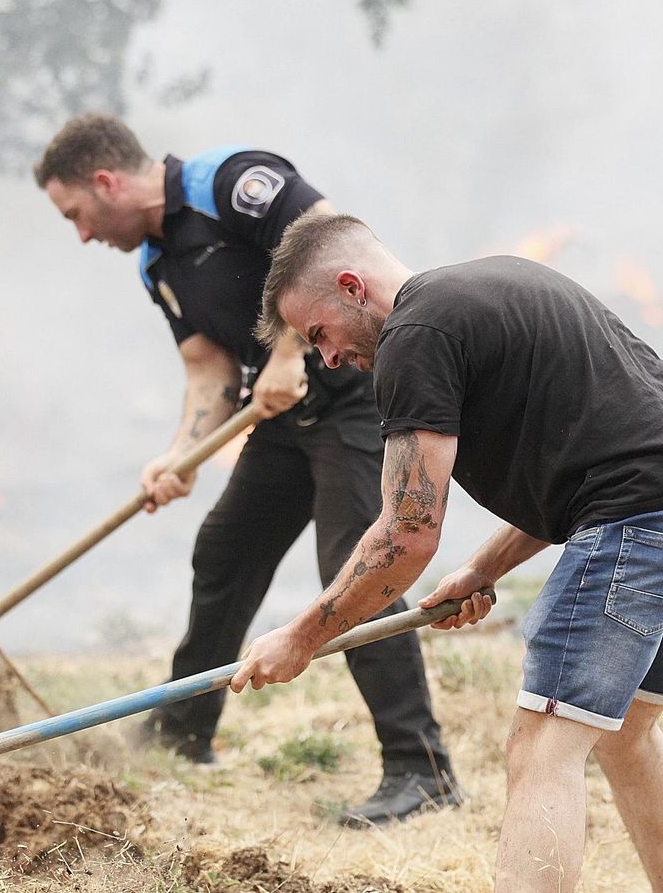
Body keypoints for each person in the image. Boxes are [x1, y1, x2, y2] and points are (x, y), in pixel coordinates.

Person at [233, 213, 663, 891]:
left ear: (353, 286)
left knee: (542, 745)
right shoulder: (490, 288)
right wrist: (484, 570)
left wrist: (301, 638)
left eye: (319, 334)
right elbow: (588, 463)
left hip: (644, 518)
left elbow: (403, 537)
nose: (327, 359)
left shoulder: (413, 340)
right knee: (623, 730)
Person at [33, 116, 461, 827]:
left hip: (353, 399)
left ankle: (421, 770)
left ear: (105, 182)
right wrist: (181, 454)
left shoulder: (229, 184)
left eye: (76, 214)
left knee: (357, 565)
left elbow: (331, 239)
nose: (82, 234)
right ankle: (183, 730)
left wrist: (293, 352)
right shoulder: (155, 264)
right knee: (225, 551)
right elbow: (210, 373)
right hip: (282, 423)